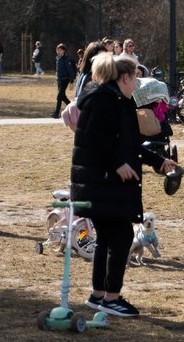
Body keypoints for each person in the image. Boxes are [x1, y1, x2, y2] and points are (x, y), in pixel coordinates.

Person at [70, 53, 176, 317]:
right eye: (135, 79)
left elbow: (130, 144)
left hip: (105, 182)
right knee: (121, 236)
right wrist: (117, 164)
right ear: (124, 77)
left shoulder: (120, 101)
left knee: (107, 238)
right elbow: (95, 138)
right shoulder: (105, 100)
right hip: (103, 181)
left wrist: (157, 161)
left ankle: (98, 295)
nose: (137, 84)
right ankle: (111, 298)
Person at [52, 43, 77, 118]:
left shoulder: (66, 59)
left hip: (65, 79)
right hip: (59, 80)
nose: (58, 51)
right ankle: (73, 108)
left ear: (63, 51)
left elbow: (71, 71)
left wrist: (71, 81)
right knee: (62, 96)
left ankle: (56, 113)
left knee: (59, 96)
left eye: (60, 50)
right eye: (57, 50)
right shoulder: (58, 59)